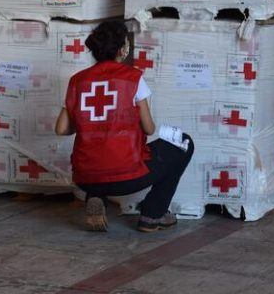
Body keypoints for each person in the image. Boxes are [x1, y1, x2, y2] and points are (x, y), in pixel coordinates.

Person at [55, 20, 194, 232]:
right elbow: (149, 129)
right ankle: (152, 214)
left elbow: (61, 129)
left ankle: (95, 196)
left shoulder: (77, 81)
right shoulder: (132, 78)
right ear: (123, 48)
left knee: (97, 152)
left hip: (85, 178)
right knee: (184, 143)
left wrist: (87, 120)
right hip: (127, 177)